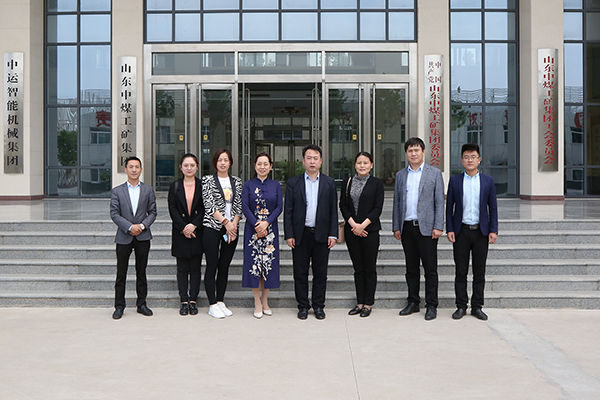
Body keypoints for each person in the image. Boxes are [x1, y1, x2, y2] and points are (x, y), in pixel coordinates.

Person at [392, 137, 444, 321]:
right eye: (410, 151)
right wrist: (396, 226)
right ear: (406, 153)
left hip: (428, 229)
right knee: (411, 268)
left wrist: (439, 226)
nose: (413, 154)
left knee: (430, 269)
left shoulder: (434, 173)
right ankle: (413, 302)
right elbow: (397, 202)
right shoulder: (400, 175)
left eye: (417, 150)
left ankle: (431, 305)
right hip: (407, 227)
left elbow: (439, 201)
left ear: (423, 152)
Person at [284, 144, 338, 320]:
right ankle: (302, 306)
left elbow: (333, 211)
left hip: (322, 235)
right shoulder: (293, 183)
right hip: (300, 235)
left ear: (321, 161)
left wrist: (333, 234)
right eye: (309, 158)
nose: (312, 161)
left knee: (320, 273)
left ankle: (318, 305)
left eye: (315, 158)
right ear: (303, 161)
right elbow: (289, 211)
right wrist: (289, 234)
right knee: (300, 273)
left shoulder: (329, 183)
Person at [446, 143, 498, 321]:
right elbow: (449, 207)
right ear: (462, 160)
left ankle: (477, 306)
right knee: (460, 271)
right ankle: (461, 306)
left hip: (481, 232)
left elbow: (493, 207)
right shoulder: (454, 181)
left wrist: (493, 230)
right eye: (466, 157)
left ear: (479, 159)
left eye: (473, 156)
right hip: (461, 231)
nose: (470, 160)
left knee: (479, 272)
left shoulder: (488, 181)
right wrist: (450, 228)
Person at [109, 156, 157, 320]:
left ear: (141, 169)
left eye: (137, 167)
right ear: (126, 170)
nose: (134, 170)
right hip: (124, 237)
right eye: (131, 167)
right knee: (121, 273)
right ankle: (119, 306)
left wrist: (142, 226)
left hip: (143, 237)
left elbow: (153, 212)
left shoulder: (148, 190)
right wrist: (130, 227)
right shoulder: (117, 191)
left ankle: (141, 304)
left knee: (141, 271)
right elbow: (114, 214)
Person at [340, 152, 384, 318]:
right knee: (358, 268)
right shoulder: (348, 182)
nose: (362, 165)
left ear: (371, 165)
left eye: (366, 163)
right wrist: (353, 225)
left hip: (370, 232)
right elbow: (343, 205)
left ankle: (368, 303)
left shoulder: (376, 184)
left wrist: (363, 225)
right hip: (352, 232)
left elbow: (378, 208)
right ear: (355, 165)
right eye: (359, 162)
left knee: (369, 268)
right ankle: (359, 303)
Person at [202, 148, 243, 319]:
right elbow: (209, 205)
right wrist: (226, 223)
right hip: (212, 227)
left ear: (230, 162)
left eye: (226, 160)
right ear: (215, 162)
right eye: (219, 160)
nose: (223, 163)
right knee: (212, 265)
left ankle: (220, 301)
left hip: (232, 230)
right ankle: (212, 303)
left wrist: (233, 224)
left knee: (224, 266)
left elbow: (238, 205)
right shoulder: (207, 180)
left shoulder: (237, 182)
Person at [241, 153, 283, 319]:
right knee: (254, 266)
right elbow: (244, 206)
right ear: (255, 165)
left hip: (270, 231)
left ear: (271, 166)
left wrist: (267, 223)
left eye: (266, 164)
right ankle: (256, 302)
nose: (263, 167)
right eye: (260, 164)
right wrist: (257, 225)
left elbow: (279, 207)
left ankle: (265, 301)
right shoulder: (248, 185)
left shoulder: (276, 185)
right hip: (253, 232)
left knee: (268, 266)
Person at [168, 153, 204, 316]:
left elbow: (205, 209)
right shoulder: (175, 186)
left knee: (195, 268)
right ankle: (184, 300)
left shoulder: (203, 186)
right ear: (181, 167)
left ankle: (193, 300)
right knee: (182, 268)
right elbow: (173, 210)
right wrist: (184, 228)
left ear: (197, 167)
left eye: (192, 165)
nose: (189, 168)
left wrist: (194, 225)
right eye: (186, 165)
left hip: (197, 232)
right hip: (180, 233)